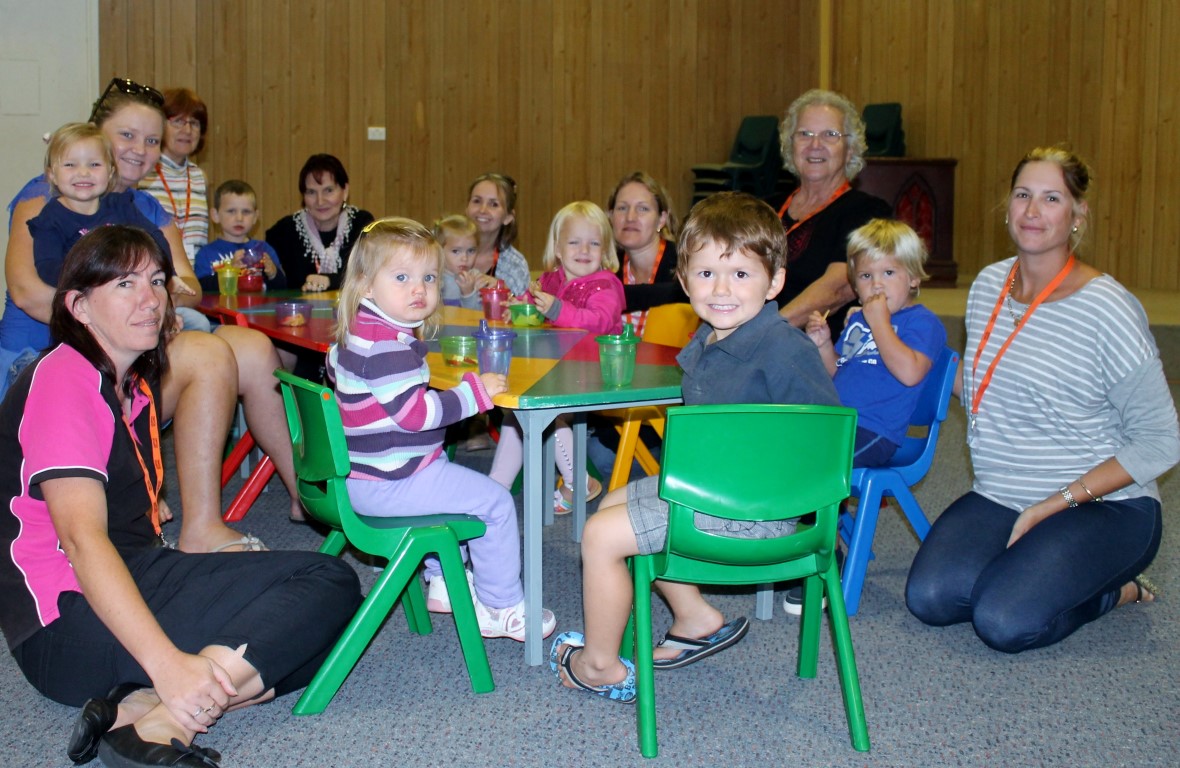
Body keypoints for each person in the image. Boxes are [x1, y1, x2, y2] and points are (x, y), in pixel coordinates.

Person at [0, 225, 361, 767]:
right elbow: (81, 541)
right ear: (79, 306)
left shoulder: (128, 383)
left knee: (319, 638)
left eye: (156, 281)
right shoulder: (63, 378)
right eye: (124, 284)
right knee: (325, 586)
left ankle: (134, 706)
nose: (150, 300)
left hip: (126, 582)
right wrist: (168, 665)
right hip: (64, 626)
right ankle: (165, 722)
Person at [550, 192, 839, 702]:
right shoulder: (710, 339)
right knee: (613, 501)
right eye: (706, 274)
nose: (721, 289)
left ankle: (599, 667)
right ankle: (695, 616)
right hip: (717, 491)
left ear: (775, 282)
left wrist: (791, 505)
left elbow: (826, 443)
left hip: (757, 510)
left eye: (741, 274)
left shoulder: (783, 350)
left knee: (599, 535)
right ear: (684, 281)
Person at [5, 77, 305, 542]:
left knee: (251, 347)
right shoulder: (48, 195)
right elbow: (27, 292)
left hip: (136, 349)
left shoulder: (145, 206)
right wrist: (129, 320)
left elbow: (187, 285)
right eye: (126, 135)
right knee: (206, 354)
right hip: (47, 357)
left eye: (151, 141)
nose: (139, 150)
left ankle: (305, 495)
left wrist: (157, 303)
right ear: (97, 133)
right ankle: (202, 527)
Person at [905, 147, 1180, 653]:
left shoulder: (1106, 307)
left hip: (1102, 505)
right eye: (1022, 195)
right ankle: (1032, 568)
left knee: (1003, 621)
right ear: (1007, 206)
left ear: (1077, 215)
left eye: (1051, 198)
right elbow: (984, 385)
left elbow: (1162, 440)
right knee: (931, 598)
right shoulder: (988, 285)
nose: (1032, 211)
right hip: (1003, 494)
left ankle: (1116, 591)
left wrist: (1056, 503)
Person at [326, 217, 556, 641]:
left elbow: (340, 373)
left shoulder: (356, 334)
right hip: (392, 483)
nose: (419, 289)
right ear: (366, 285)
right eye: (402, 277)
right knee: (495, 503)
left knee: (450, 476)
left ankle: (443, 579)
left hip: (360, 478)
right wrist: (475, 393)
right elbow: (416, 416)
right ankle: (502, 606)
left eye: (429, 277)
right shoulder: (389, 349)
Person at [489, 201, 625, 514]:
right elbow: (531, 301)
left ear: (605, 251)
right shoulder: (551, 280)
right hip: (557, 372)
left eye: (594, 243)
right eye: (574, 242)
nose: (584, 250)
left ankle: (579, 481)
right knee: (516, 410)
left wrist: (556, 309)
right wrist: (518, 307)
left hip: (596, 374)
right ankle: (496, 488)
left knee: (542, 413)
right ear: (558, 249)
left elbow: (600, 321)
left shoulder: (606, 285)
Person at [805, 218, 946, 468]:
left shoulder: (923, 322)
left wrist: (880, 323)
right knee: (783, 446)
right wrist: (824, 345)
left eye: (889, 273)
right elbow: (838, 372)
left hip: (874, 430)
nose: (876, 284)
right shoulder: (858, 319)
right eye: (866, 275)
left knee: (813, 465)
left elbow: (910, 374)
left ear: (913, 277)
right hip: (838, 420)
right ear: (855, 286)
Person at [772, 89, 892, 337]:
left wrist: (762, 334)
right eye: (805, 134)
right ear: (790, 145)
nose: (815, 145)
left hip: (819, 347)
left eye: (830, 135)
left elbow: (837, 289)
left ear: (850, 150)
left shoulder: (867, 213)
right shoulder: (763, 209)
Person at [266, 153, 374, 293]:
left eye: (328, 190)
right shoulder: (283, 231)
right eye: (311, 192)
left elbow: (370, 273)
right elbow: (272, 283)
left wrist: (329, 280)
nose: (320, 201)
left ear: (345, 191)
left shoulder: (362, 224)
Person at [138, 88, 210, 265]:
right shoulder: (142, 174)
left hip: (196, 276)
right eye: (178, 121)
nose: (187, 130)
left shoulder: (200, 177)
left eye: (194, 123)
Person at [608, 171, 685, 336]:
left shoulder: (685, 261)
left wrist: (611, 295)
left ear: (661, 219)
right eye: (622, 208)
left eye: (642, 208)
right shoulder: (604, 264)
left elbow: (687, 292)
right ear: (611, 216)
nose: (630, 217)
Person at [194, 179, 286, 293]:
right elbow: (201, 288)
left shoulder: (264, 250)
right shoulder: (206, 253)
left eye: (246, 212)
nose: (239, 218)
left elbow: (282, 287)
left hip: (259, 304)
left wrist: (273, 274)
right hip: (222, 305)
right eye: (231, 211)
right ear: (215, 215)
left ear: (255, 217)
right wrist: (229, 272)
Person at [465, 172, 530, 296]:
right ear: (467, 209)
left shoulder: (515, 265)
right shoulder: (440, 249)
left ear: (508, 217)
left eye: (493, 204)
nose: (482, 210)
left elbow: (523, 306)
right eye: (477, 201)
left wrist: (505, 293)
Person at [432, 213, 487, 309]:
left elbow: (477, 315)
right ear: (439, 251)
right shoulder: (432, 277)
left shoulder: (476, 279)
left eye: (471, 251)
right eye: (456, 251)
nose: (465, 258)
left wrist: (469, 293)